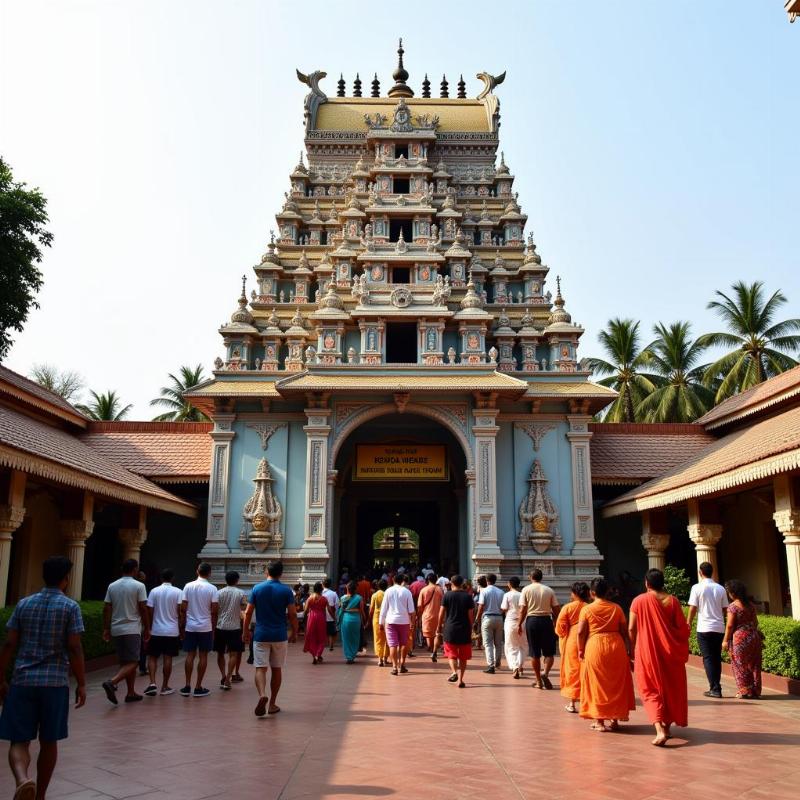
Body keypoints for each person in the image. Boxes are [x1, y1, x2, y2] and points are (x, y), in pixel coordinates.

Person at [0, 556, 86, 800]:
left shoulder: (24, 604)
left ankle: (22, 779)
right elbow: (74, 648)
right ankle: (40, 796)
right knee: (49, 741)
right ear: (66, 579)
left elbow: (9, 644)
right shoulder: (70, 607)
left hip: (22, 680)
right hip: (54, 682)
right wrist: (81, 683)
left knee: (19, 740)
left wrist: (1, 678)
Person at [629, 568, 690, 746]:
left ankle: (659, 730)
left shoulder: (639, 600)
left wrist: (633, 646)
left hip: (648, 651)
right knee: (671, 688)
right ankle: (667, 726)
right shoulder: (673, 601)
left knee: (650, 689)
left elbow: (632, 628)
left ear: (647, 583)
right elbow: (682, 629)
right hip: (671, 652)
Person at [576, 577, 636, 732]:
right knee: (616, 683)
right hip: (616, 646)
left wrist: (580, 649)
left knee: (597, 684)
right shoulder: (616, 608)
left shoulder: (587, 609)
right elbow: (624, 632)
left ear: (592, 592)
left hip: (595, 646)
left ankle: (600, 721)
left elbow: (581, 632)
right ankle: (615, 720)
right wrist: (629, 650)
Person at [243, 561, 298, 716]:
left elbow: (248, 613)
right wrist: (294, 632)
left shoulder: (257, 588)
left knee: (260, 668)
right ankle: (272, 703)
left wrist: (245, 631)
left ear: (266, 571)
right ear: (281, 573)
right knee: (276, 669)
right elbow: (293, 614)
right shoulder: (286, 591)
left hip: (261, 634)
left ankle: (262, 694)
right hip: (279, 635)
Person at [101, 558, 148, 704]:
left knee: (125, 662)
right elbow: (143, 607)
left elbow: (107, 608)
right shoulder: (139, 586)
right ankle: (112, 682)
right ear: (134, 569)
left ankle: (131, 692)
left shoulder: (112, 586)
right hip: (132, 628)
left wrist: (106, 628)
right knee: (134, 662)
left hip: (117, 628)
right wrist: (147, 627)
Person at [687, 561, 728, 698]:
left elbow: (693, 607)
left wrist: (688, 622)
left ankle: (715, 688)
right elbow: (725, 609)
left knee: (708, 658)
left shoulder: (697, 588)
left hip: (704, 627)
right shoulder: (720, 588)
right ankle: (716, 686)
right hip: (719, 627)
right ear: (712, 572)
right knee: (716, 658)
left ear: (700, 572)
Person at [179, 562, 219, 698]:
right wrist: (213, 628)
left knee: (190, 655)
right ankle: (198, 686)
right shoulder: (212, 588)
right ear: (209, 573)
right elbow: (214, 610)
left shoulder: (188, 586)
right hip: (205, 626)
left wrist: (182, 625)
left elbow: (183, 608)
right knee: (203, 656)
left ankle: (187, 685)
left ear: (197, 571)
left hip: (190, 626)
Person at [516, 569, 560, 689]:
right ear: (541, 577)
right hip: (546, 620)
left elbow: (523, 610)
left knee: (534, 653)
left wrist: (519, 624)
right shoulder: (549, 590)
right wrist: (556, 622)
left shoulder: (526, 589)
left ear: (530, 577)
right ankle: (545, 673)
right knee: (549, 652)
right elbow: (556, 609)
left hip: (532, 621)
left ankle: (538, 681)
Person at [144, 568, 182, 697]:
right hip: (172, 630)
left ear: (161, 578)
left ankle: (152, 683)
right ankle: (165, 686)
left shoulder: (154, 591)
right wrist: (180, 626)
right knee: (168, 658)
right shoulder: (178, 592)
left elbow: (149, 610)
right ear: (172, 578)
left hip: (156, 629)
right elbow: (180, 611)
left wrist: (149, 626)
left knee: (152, 657)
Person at [722, 579, 763, 699]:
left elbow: (729, 625)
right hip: (754, 637)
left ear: (733, 593)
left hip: (740, 638)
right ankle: (755, 691)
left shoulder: (733, 607)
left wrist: (725, 640)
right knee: (754, 664)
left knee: (740, 664)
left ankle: (745, 691)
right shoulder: (751, 605)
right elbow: (755, 622)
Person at [555, 581, 590, 712]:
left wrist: (563, 634)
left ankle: (572, 703)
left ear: (575, 593)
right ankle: (586, 700)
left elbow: (560, 628)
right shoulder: (589, 607)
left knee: (573, 670)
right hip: (588, 639)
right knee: (585, 669)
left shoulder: (568, 607)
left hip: (572, 640)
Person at [437, 574, 475, 688]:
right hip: (464, 628)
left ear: (451, 583)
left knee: (451, 654)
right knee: (463, 656)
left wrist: (439, 626)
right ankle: (461, 679)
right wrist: (471, 627)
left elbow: (441, 613)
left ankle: (454, 672)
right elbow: (470, 615)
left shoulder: (447, 595)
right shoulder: (468, 597)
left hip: (450, 628)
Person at [378, 573, 416, 675]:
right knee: (404, 643)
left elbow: (384, 609)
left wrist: (380, 622)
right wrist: (412, 622)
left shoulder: (388, 591)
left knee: (392, 645)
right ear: (402, 580)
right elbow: (412, 610)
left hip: (391, 621)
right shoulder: (407, 592)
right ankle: (402, 664)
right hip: (404, 621)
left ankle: (394, 667)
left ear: (393, 580)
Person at [214, 571, 246, 691]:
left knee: (220, 653)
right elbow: (243, 607)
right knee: (234, 653)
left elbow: (215, 609)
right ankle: (228, 678)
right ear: (237, 580)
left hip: (220, 626)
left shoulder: (219, 593)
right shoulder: (241, 593)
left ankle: (222, 676)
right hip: (235, 627)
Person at [475, 573, 505, 673]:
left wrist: (477, 619)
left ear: (487, 581)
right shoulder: (501, 592)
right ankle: (498, 663)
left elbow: (480, 606)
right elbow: (504, 607)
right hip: (499, 618)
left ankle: (491, 665)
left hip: (487, 617)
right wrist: (500, 613)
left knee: (488, 644)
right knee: (498, 643)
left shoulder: (484, 591)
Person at [501, 577, 525, 679]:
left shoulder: (507, 595)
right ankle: (520, 666)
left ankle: (515, 667)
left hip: (510, 621)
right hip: (522, 621)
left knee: (510, 646)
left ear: (509, 584)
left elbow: (504, 608)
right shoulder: (522, 595)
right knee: (523, 646)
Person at [417, 573, 444, 662]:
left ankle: (432, 650)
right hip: (438, 615)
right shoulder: (440, 590)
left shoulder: (424, 590)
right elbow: (443, 604)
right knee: (437, 633)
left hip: (427, 615)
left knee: (429, 636)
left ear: (427, 580)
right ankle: (434, 651)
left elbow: (420, 606)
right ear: (436, 579)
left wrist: (419, 616)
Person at [338, 580, 366, 664]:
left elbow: (340, 610)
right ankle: (352, 655)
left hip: (345, 618)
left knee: (346, 638)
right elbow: (361, 611)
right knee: (355, 637)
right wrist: (365, 620)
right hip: (356, 619)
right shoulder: (359, 598)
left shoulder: (343, 598)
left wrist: (338, 619)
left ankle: (348, 656)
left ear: (347, 588)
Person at [303, 582, 329, 664]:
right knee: (321, 637)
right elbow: (328, 610)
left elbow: (305, 610)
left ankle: (314, 655)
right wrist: (333, 618)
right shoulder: (324, 599)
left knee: (312, 636)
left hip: (312, 617)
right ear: (321, 589)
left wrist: (306, 613)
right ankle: (318, 654)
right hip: (321, 617)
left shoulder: (310, 598)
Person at [368, 579, 389, 666]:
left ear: (377, 586)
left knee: (378, 639)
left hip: (377, 618)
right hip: (387, 618)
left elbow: (371, 609)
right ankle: (385, 658)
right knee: (387, 639)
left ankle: (380, 659)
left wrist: (369, 619)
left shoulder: (375, 595)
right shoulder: (388, 594)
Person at [321, 577, 339, 652]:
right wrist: (336, 615)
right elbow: (337, 605)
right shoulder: (333, 593)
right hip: (331, 615)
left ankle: (323, 644)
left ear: (322, 584)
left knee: (323, 630)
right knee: (331, 632)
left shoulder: (320, 594)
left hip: (321, 615)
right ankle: (331, 645)